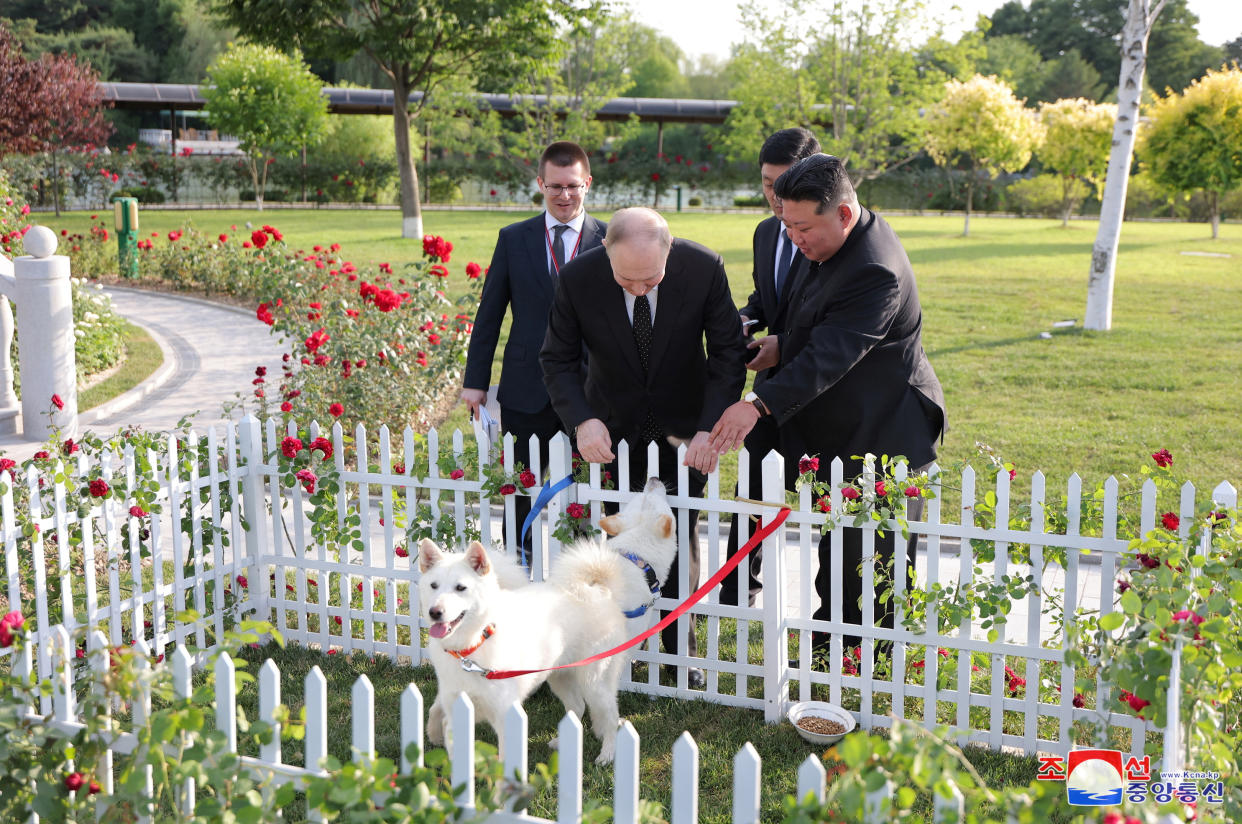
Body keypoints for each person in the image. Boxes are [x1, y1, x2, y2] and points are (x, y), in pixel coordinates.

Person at [708, 154, 946, 659]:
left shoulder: (875, 268)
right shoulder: (828, 242)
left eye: (801, 226)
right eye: (785, 224)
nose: (793, 237)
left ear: (842, 213)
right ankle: (831, 646)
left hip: (886, 430)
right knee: (836, 548)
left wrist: (757, 404)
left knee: (869, 557)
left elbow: (833, 354)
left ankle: (865, 659)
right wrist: (780, 346)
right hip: (843, 425)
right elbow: (813, 323)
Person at [540, 207, 748, 688]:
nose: (638, 289)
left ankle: (682, 656)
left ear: (669, 251)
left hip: (686, 432)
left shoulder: (704, 268)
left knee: (678, 535)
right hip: (612, 430)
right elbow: (557, 358)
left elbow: (726, 355)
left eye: (650, 279)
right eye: (626, 280)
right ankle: (619, 647)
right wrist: (583, 422)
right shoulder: (578, 278)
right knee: (620, 541)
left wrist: (708, 426)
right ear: (605, 253)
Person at [461, 141, 607, 561]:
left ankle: (578, 573)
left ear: (588, 184)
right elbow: (489, 314)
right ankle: (519, 569)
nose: (564, 195)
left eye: (574, 186)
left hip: (588, 389)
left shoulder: (609, 237)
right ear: (540, 184)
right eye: (555, 186)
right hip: (526, 389)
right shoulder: (514, 239)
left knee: (583, 489)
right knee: (518, 490)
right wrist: (475, 383)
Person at [720, 127, 821, 608]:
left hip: (823, 387)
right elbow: (768, 298)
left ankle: (832, 604)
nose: (777, 199)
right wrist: (746, 318)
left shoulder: (827, 236)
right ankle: (740, 588)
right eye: (767, 184)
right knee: (751, 492)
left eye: (786, 185)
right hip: (768, 386)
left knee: (827, 504)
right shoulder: (764, 233)